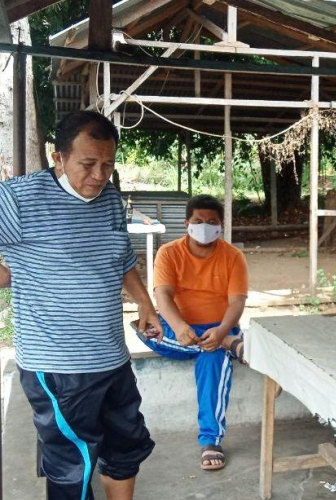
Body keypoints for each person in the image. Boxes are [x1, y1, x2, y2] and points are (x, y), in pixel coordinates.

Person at [0, 110, 159, 500]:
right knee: (73, 464)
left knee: (125, 447)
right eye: (88, 164)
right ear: (59, 157)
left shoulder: (109, 199)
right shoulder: (17, 199)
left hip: (112, 358)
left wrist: (146, 303)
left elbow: (120, 259)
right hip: (59, 367)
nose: (99, 175)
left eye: (108, 165)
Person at [138, 195, 248, 471]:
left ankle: (211, 440)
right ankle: (229, 344)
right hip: (179, 328)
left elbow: (237, 302)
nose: (205, 227)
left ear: (221, 225)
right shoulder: (169, 253)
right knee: (147, 331)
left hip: (220, 327)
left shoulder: (233, 257)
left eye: (212, 222)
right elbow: (163, 294)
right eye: (198, 221)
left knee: (213, 358)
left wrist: (221, 330)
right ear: (187, 223)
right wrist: (178, 326)